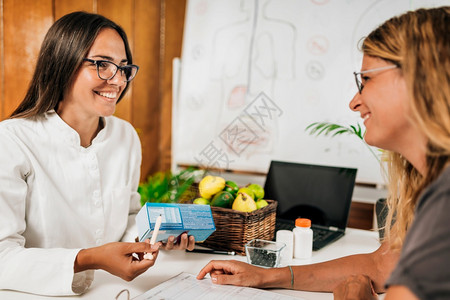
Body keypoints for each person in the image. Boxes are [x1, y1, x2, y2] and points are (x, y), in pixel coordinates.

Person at [197, 6, 450, 299]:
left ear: (420, 78)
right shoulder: (430, 188)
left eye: (366, 79)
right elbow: (382, 266)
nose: (354, 102)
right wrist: (265, 276)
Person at [0, 11, 194, 296]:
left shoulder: (125, 135)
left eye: (124, 67)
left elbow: (127, 217)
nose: (117, 80)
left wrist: (153, 237)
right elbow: (2, 257)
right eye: (103, 64)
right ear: (62, 63)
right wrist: (90, 258)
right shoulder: (13, 139)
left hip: (110, 289)